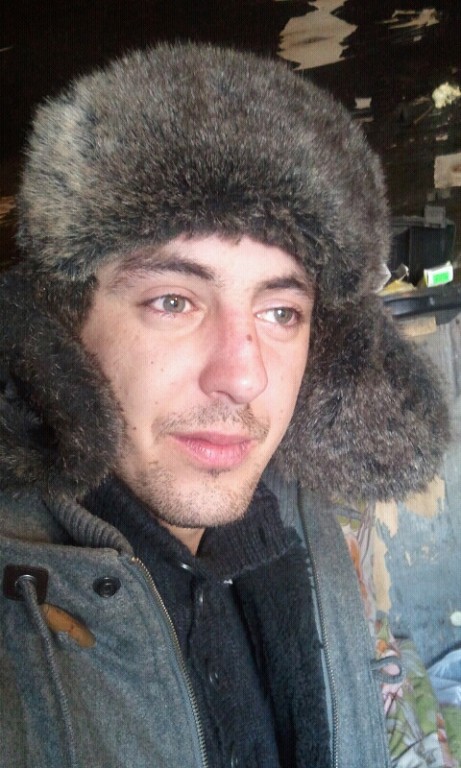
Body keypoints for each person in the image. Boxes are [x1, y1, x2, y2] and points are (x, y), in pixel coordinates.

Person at [0, 43, 449, 768]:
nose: (242, 378)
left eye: (280, 313)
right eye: (173, 301)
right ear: (62, 326)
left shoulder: (324, 525)